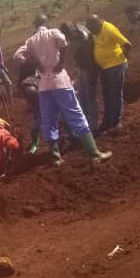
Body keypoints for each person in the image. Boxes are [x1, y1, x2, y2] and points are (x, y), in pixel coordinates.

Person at [16, 14, 112, 166]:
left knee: (48, 119)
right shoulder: (53, 32)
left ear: (35, 26)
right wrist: (60, 62)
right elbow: (63, 42)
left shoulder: (31, 41)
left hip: (44, 85)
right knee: (76, 114)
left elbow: (17, 56)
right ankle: (94, 154)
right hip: (60, 81)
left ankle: (56, 158)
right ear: (47, 23)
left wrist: (35, 62)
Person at [86, 15, 132, 134]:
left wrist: (120, 59)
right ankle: (107, 120)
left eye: (92, 29)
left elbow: (127, 44)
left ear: (98, 23)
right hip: (104, 68)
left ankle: (116, 122)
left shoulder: (109, 29)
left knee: (115, 93)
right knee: (106, 94)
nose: (92, 32)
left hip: (116, 66)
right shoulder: (95, 31)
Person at [60, 22, 100, 131]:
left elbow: (88, 57)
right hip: (82, 68)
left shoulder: (83, 36)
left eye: (69, 35)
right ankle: (86, 120)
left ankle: (94, 124)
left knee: (89, 96)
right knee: (82, 96)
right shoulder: (76, 33)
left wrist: (89, 73)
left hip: (89, 68)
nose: (69, 38)